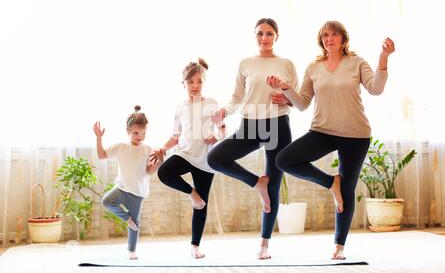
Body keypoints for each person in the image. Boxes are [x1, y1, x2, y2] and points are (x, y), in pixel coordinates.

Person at [267, 20, 395, 260]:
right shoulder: (314, 67)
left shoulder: (357, 63)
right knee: (284, 159)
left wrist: (383, 58)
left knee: (347, 189)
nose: (329, 38)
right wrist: (286, 88)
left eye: (334, 34)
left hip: (355, 135)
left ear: (343, 39)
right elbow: (303, 103)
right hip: (322, 131)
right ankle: (330, 183)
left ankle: (339, 245)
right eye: (325, 35)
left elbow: (376, 89)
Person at [207, 18, 298, 259]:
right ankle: (257, 182)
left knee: (275, 186)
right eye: (260, 34)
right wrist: (223, 111)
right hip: (250, 124)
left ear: (277, 36)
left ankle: (264, 245)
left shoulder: (286, 64)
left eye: (269, 34)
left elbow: (298, 99)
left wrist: (286, 99)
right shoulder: (245, 63)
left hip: (278, 124)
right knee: (215, 157)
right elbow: (237, 97)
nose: (264, 38)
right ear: (255, 36)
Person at [154, 58, 225, 259]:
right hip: (185, 153)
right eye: (190, 82)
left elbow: (221, 130)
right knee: (164, 172)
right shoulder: (179, 107)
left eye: (199, 81)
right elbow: (175, 136)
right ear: (183, 83)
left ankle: (195, 246)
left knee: (203, 204)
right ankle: (192, 193)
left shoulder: (212, 104)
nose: (195, 86)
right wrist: (162, 147)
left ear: (204, 82)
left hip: (205, 159)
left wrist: (217, 136)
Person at [94, 105, 163, 260]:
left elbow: (148, 171)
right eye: (136, 133)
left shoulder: (148, 149)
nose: (140, 136)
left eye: (143, 133)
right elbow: (102, 155)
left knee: (135, 223)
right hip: (122, 188)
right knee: (106, 201)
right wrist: (99, 138)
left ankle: (131, 251)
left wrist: (159, 161)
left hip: (138, 193)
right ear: (128, 131)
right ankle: (127, 219)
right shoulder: (121, 147)